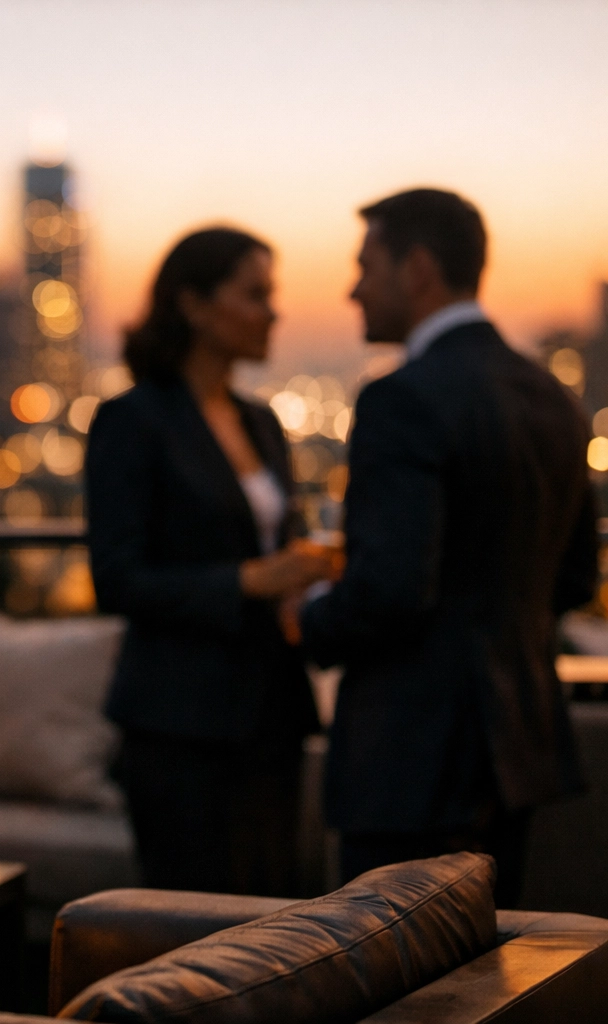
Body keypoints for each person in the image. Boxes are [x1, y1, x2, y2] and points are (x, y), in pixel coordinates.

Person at [298, 189, 598, 908]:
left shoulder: (401, 398)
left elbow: (390, 589)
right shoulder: (552, 396)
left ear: (419, 268)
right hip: (516, 747)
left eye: (367, 265)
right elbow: (577, 574)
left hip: (411, 756)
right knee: (483, 986)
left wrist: (309, 617)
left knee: (387, 984)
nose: (351, 288)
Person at [85, 228, 336, 896]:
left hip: (271, 713)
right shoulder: (131, 421)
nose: (272, 313)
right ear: (193, 304)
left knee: (274, 920)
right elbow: (117, 578)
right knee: (192, 928)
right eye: (255, 294)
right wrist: (251, 580)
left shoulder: (263, 424)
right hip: (180, 722)